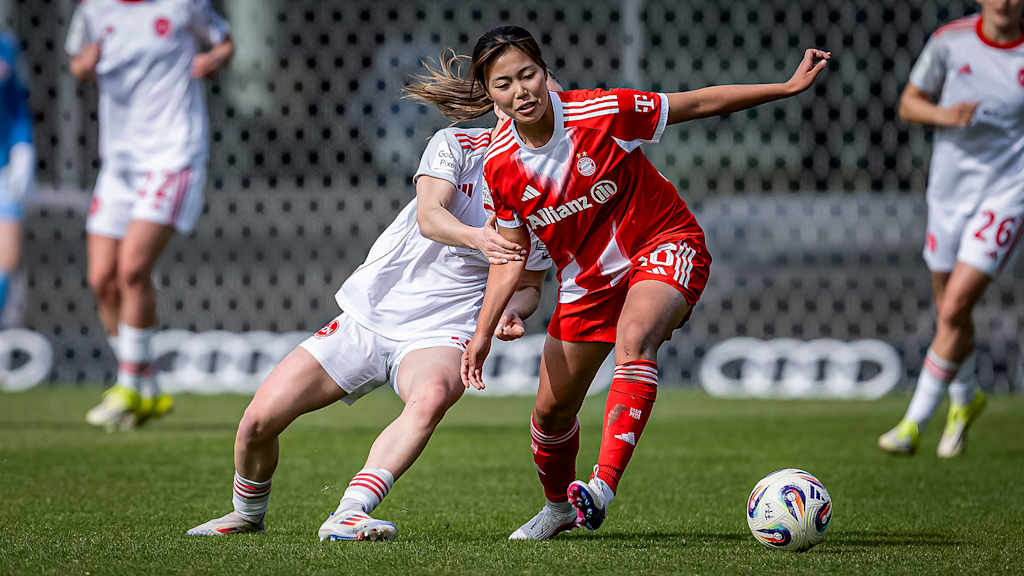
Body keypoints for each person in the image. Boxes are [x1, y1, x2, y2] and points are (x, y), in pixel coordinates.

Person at [406, 25, 829, 540]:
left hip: (664, 244)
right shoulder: (500, 165)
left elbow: (698, 102)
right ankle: (558, 509)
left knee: (635, 339)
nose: (522, 91)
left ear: (544, 71)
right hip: (587, 284)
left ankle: (601, 488)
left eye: (528, 74)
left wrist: (784, 88)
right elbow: (510, 256)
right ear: (489, 95)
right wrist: (482, 334)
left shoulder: (603, 112)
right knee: (550, 414)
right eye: (504, 84)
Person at [186, 104, 553, 540]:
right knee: (257, 422)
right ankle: (247, 514)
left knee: (432, 396)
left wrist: (513, 309)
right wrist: (481, 238)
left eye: (548, 96)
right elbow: (430, 217)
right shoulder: (456, 144)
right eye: (511, 85)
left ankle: (350, 512)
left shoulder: (551, 192)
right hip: (371, 315)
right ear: (496, 101)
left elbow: (530, 283)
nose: (528, 99)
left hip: (444, 329)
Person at [65, 0, 234, 429]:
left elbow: (224, 41)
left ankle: (127, 387)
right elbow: (77, 63)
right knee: (102, 279)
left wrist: (213, 59)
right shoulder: (93, 10)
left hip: (172, 155)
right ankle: (148, 388)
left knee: (132, 269)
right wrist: (83, 67)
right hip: (119, 164)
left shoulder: (182, 5)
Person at [878, 0, 1023, 458]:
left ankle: (913, 424)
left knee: (957, 303)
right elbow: (908, 104)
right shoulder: (949, 41)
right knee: (949, 311)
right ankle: (966, 398)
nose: (1004, 2)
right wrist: (947, 115)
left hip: (1008, 193)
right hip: (949, 193)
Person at [0, 29, 34, 325]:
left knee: (7, 255)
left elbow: (17, 103)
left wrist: (23, 147)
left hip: (4, 168)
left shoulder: (6, 46)